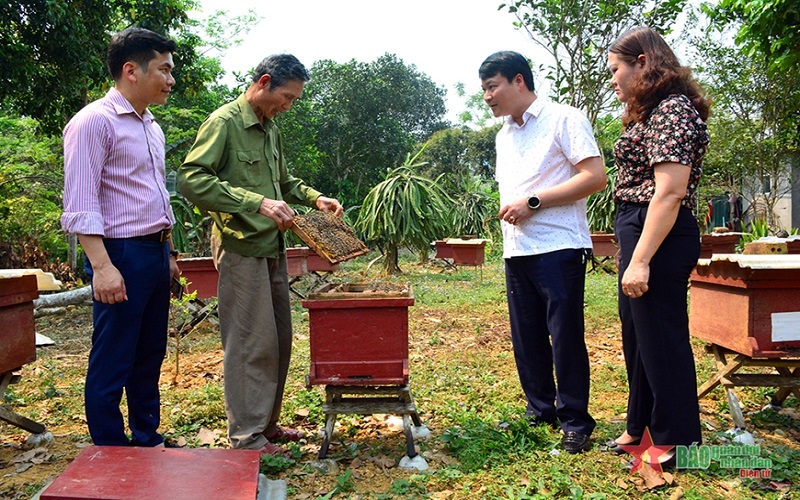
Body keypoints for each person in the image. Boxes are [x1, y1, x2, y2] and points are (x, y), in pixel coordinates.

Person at [177, 54, 343, 457]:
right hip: (239, 247)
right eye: (285, 97)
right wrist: (256, 203)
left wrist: (314, 197)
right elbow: (191, 179)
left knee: (278, 339)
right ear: (264, 82)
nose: (288, 106)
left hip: (273, 247)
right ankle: (247, 437)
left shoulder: (271, 129)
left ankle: (266, 425)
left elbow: (284, 182)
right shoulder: (223, 123)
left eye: (294, 101)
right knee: (251, 341)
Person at [479, 51, 607, 454]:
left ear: (519, 81)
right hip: (518, 250)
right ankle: (540, 409)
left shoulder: (565, 119)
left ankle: (575, 420)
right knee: (527, 337)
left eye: (492, 86)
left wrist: (533, 202)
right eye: (483, 89)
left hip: (559, 246)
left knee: (564, 335)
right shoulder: (504, 135)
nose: (487, 97)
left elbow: (594, 177)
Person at [61, 27, 179, 447]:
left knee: (149, 354)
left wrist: (167, 252)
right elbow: (80, 201)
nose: (171, 79)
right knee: (114, 356)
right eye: (163, 70)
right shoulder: (93, 122)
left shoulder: (151, 126)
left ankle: (147, 436)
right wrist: (103, 267)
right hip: (119, 254)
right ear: (131, 70)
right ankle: (110, 448)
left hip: (153, 250)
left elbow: (152, 194)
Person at [605, 26, 710, 464]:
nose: (613, 80)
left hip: (660, 234)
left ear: (642, 63)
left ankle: (678, 440)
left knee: (662, 335)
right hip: (641, 227)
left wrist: (642, 259)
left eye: (616, 70)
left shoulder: (673, 110)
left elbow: (669, 192)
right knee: (639, 335)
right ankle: (642, 425)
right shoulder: (651, 112)